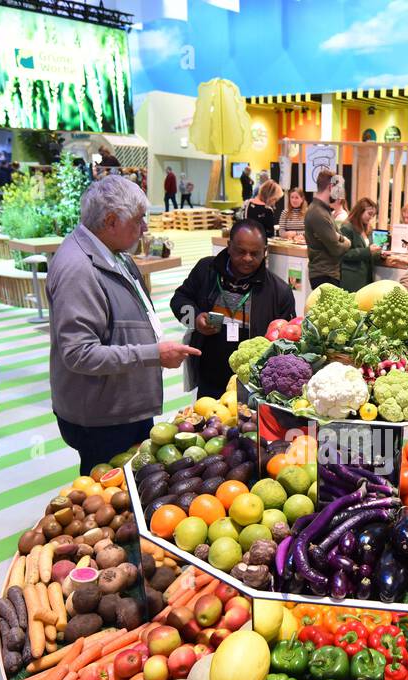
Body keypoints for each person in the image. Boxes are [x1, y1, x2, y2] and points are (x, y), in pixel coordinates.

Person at [47, 175, 200, 473]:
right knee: (110, 490)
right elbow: (79, 353)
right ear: (111, 221)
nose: (144, 228)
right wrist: (153, 354)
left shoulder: (114, 254)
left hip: (122, 404)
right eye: (139, 220)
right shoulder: (78, 268)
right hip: (102, 416)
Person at [171, 219, 295, 398]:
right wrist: (195, 320)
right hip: (209, 379)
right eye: (240, 251)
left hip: (255, 387)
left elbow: (289, 342)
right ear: (229, 246)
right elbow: (179, 299)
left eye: (255, 253)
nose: (247, 258)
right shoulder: (206, 270)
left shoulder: (279, 292)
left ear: (265, 252)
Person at [303, 170, 350, 291]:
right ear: (331, 187)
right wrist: (346, 242)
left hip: (327, 274)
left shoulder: (322, 210)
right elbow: (336, 249)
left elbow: (337, 236)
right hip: (324, 275)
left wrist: (339, 238)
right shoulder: (318, 213)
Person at [339, 196, 384, 292]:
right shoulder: (347, 228)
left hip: (366, 278)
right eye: (369, 214)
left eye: (373, 215)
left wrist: (379, 254)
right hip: (352, 279)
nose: (371, 217)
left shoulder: (368, 229)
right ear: (360, 211)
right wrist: (368, 251)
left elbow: (370, 253)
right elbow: (345, 254)